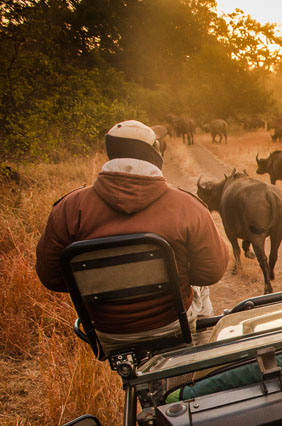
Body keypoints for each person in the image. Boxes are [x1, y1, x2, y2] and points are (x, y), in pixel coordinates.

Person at [35, 120, 228, 349]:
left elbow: (51, 277)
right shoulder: (186, 205)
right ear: (155, 153)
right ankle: (198, 358)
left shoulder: (68, 208)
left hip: (107, 332)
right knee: (202, 290)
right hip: (172, 324)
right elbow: (211, 272)